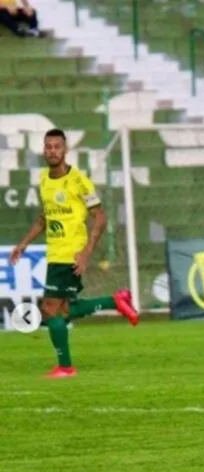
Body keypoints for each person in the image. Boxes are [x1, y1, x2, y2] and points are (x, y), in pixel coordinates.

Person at [10, 129, 139, 378]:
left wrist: (86, 252)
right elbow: (44, 218)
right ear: (43, 150)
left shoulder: (79, 180)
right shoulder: (45, 181)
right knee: (63, 310)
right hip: (54, 254)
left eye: (57, 146)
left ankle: (66, 367)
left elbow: (100, 216)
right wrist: (24, 243)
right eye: (48, 146)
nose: (52, 151)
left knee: (50, 310)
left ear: (65, 149)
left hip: (71, 255)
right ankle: (115, 301)